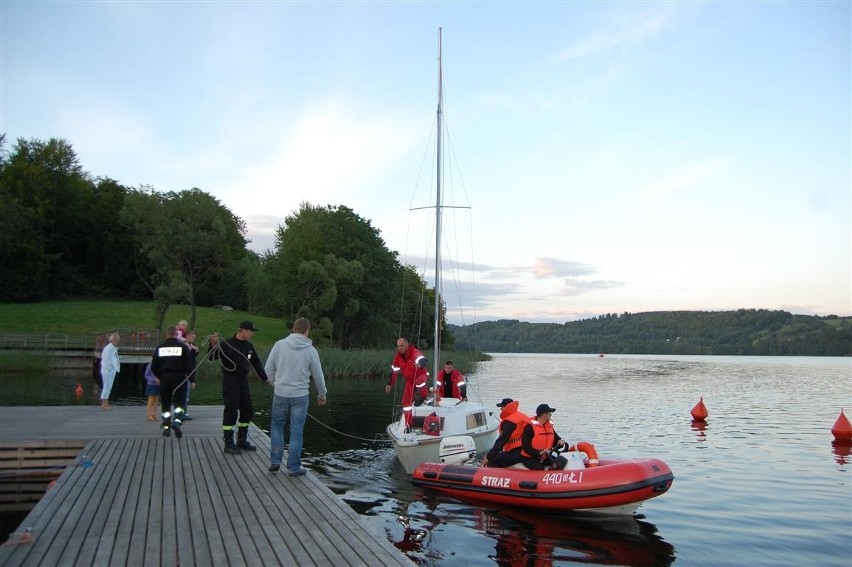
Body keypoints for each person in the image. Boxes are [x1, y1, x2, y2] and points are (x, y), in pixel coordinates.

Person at [264, 317, 327, 476]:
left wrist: (275, 383)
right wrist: (322, 394)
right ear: (307, 330)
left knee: (277, 426)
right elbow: (318, 376)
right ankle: (293, 467)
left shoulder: (279, 345)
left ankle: (275, 461)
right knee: (296, 431)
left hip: (280, 393)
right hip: (300, 396)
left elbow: (268, 369)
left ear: (293, 329)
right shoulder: (311, 350)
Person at [209, 320, 269, 454]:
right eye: (251, 331)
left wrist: (265, 378)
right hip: (230, 380)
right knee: (231, 409)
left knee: (247, 410)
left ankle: (241, 440)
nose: (252, 334)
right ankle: (228, 443)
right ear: (243, 330)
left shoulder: (249, 346)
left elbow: (256, 363)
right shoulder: (226, 344)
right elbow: (212, 357)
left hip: (243, 380)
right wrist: (213, 344)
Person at [151, 325, 194, 438]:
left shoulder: (159, 348)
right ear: (176, 334)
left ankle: (166, 428)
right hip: (179, 378)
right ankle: (177, 422)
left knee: (166, 404)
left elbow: (154, 366)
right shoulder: (183, 347)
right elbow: (189, 366)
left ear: (167, 334)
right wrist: (192, 379)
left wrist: (160, 376)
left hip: (165, 378)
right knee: (180, 404)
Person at [385, 338, 430, 431]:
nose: (399, 348)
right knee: (406, 403)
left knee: (419, 383)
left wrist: (420, 364)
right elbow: (394, 371)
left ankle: (423, 395)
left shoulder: (415, 352)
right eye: (398, 346)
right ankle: (408, 425)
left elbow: (422, 359)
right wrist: (390, 383)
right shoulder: (397, 357)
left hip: (420, 375)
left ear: (407, 345)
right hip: (409, 380)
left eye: (401, 346)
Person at [482, 398, 531, 468]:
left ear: (505, 407)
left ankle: (489, 474)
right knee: (500, 455)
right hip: (527, 450)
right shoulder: (521, 416)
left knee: (493, 461)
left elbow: (501, 441)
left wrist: (488, 457)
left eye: (501, 407)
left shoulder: (510, 421)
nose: (500, 410)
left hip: (518, 451)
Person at [520, 403, 567, 470]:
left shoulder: (549, 426)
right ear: (544, 414)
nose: (551, 414)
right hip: (530, 458)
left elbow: (556, 440)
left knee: (561, 462)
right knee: (540, 468)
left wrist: (560, 442)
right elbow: (526, 448)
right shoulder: (529, 428)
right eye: (549, 413)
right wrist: (539, 453)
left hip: (546, 457)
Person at [99, 333, 120, 410]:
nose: (117, 340)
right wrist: (110, 369)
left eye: (117, 339)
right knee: (107, 386)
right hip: (107, 370)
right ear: (112, 340)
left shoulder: (113, 348)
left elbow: (115, 359)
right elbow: (107, 361)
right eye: (115, 339)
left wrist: (116, 368)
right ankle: (104, 403)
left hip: (112, 370)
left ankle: (106, 402)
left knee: (109, 387)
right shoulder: (108, 349)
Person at [182, 330, 199, 420]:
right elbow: (187, 359)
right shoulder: (185, 345)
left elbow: (192, 358)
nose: (194, 339)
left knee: (186, 395)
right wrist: (193, 351)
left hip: (189, 372)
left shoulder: (190, 345)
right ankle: (182, 414)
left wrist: (196, 351)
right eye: (192, 337)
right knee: (185, 394)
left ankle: (184, 412)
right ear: (187, 336)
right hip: (186, 373)